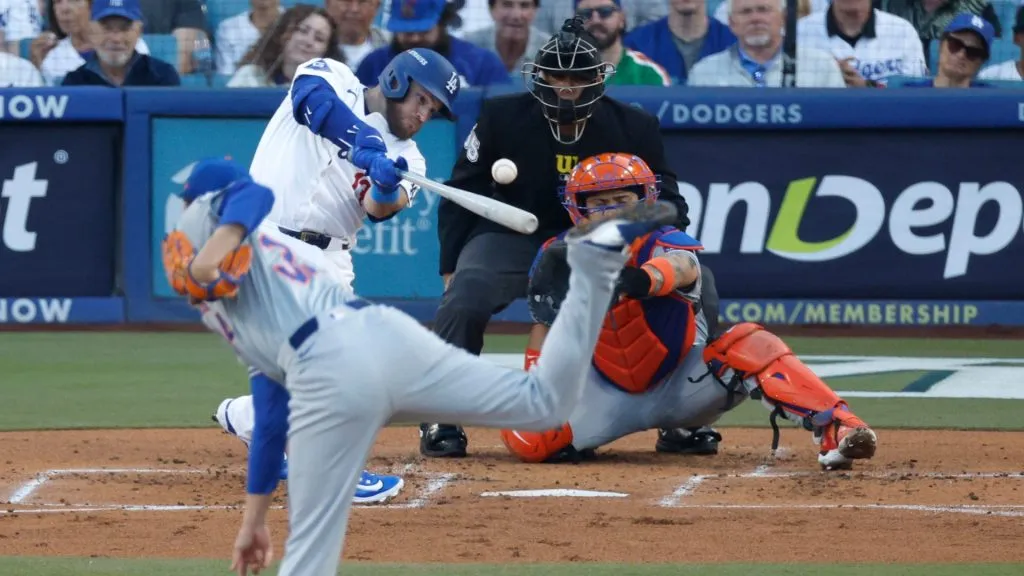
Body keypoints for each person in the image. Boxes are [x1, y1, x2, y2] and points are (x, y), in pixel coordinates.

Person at [162, 157, 680, 576]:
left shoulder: (237, 235)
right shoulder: (237, 315)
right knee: (545, 402)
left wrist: (212, 252)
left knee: (311, 551)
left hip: (336, 364)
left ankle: (591, 264)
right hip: (380, 339)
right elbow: (272, 417)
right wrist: (253, 521)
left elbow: (254, 195)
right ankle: (594, 265)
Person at [422, 16, 723, 460]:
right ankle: (440, 412)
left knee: (704, 287)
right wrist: (450, 264)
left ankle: (683, 420)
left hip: (602, 242)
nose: (566, 88)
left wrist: (634, 236)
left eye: (577, 78)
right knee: (466, 295)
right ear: (537, 76)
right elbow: (461, 191)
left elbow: (672, 204)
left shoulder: (634, 126)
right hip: (515, 234)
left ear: (598, 78)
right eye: (555, 76)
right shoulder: (500, 117)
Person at [501, 152, 878, 472]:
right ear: (578, 210)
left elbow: (684, 268)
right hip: (607, 394)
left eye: (622, 199)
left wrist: (635, 281)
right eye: (599, 203)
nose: (612, 210)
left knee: (751, 341)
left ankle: (840, 427)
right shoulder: (558, 254)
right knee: (530, 439)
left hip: (683, 385)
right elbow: (544, 324)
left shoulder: (665, 241)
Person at [210, 47, 461, 506]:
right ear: (396, 82)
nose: (425, 115)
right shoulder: (331, 75)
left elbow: (380, 208)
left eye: (435, 111)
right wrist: (363, 144)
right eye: (422, 101)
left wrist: (385, 181)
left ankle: (251, 418)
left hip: (328, 259)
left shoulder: (409, 156)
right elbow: (313, 103)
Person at [687, 0, 847, 88]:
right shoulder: (704, 73)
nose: (755, 18)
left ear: (783, 17)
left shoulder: (821, 67)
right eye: (746, 12)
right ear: (731, 23)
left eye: (763, 9)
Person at [60, 0, 179, 87]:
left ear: (139, 31)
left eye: (125, 28)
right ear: (91, 31)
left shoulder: (163, 76)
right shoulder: (74, 82)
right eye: (106, 28)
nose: (116, 38)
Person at [227, 4, 343, 88]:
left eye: (319, 39)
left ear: (326, 52)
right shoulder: (249, 77)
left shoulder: (332, 88)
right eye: (302, 31)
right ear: (282, 35)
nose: (308, 41)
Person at [902, 13, 995, 87]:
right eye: (955, 44)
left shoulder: (991, 100)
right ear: (941, 45)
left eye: (972, 51)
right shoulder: (910, 94)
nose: (961, 55)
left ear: (982, 61)